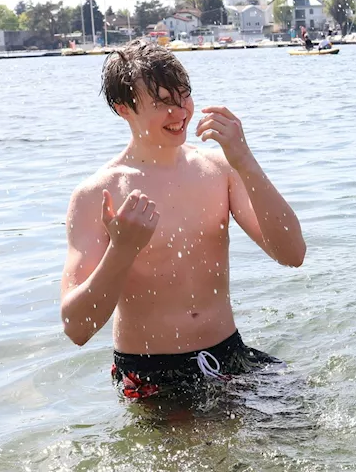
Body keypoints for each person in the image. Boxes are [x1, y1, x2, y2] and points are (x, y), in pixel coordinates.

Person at [61, 39, 306, 406]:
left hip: (228, 355)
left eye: (183, 96)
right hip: (151, 374)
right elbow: (76, 328)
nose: (179, 113)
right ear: (123, 107)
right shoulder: (99, 193)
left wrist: (245, 160)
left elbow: (292, 253)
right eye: (161, 102)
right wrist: (123, 249)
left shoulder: (219, 170)